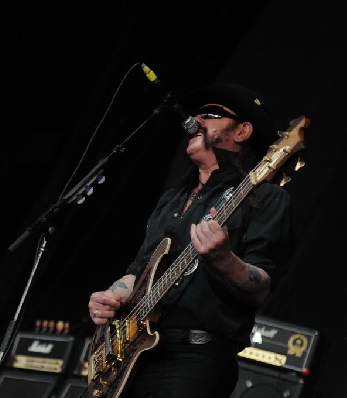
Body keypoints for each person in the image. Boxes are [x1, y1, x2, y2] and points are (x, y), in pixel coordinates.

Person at [87, 84, 294, 397]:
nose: (196, 119)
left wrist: (223, 258)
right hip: (133, 354)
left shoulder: (264, 197)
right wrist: (112, 296)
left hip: (195, 358)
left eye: (210, 114)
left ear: (242, 131)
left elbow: (261, 286)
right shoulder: (172, 200)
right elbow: (140, 270)